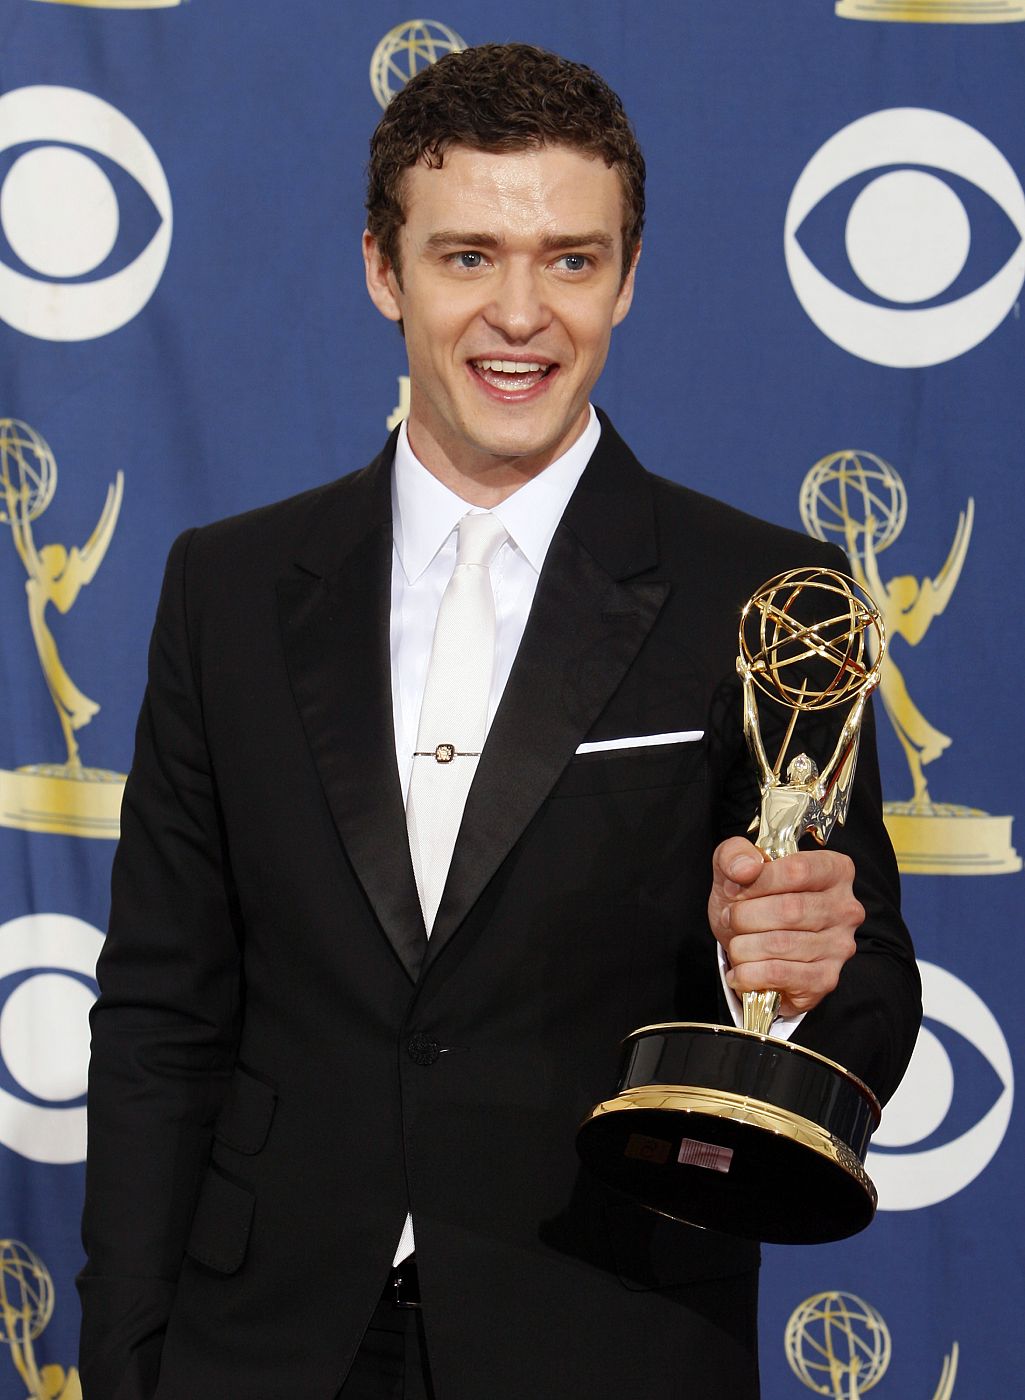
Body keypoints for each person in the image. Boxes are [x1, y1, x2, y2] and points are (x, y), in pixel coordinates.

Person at [78, 43, 920, 1400]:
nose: (518, 314)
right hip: (264, 1344)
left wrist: (789, 971)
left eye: (569, 261)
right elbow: (162, 1013)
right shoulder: (226, 588)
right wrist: (122, 1362)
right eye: (467, 256)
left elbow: (865, 994)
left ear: (627, 277)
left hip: (604, 1327)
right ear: (382, 269)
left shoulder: (770, 599)